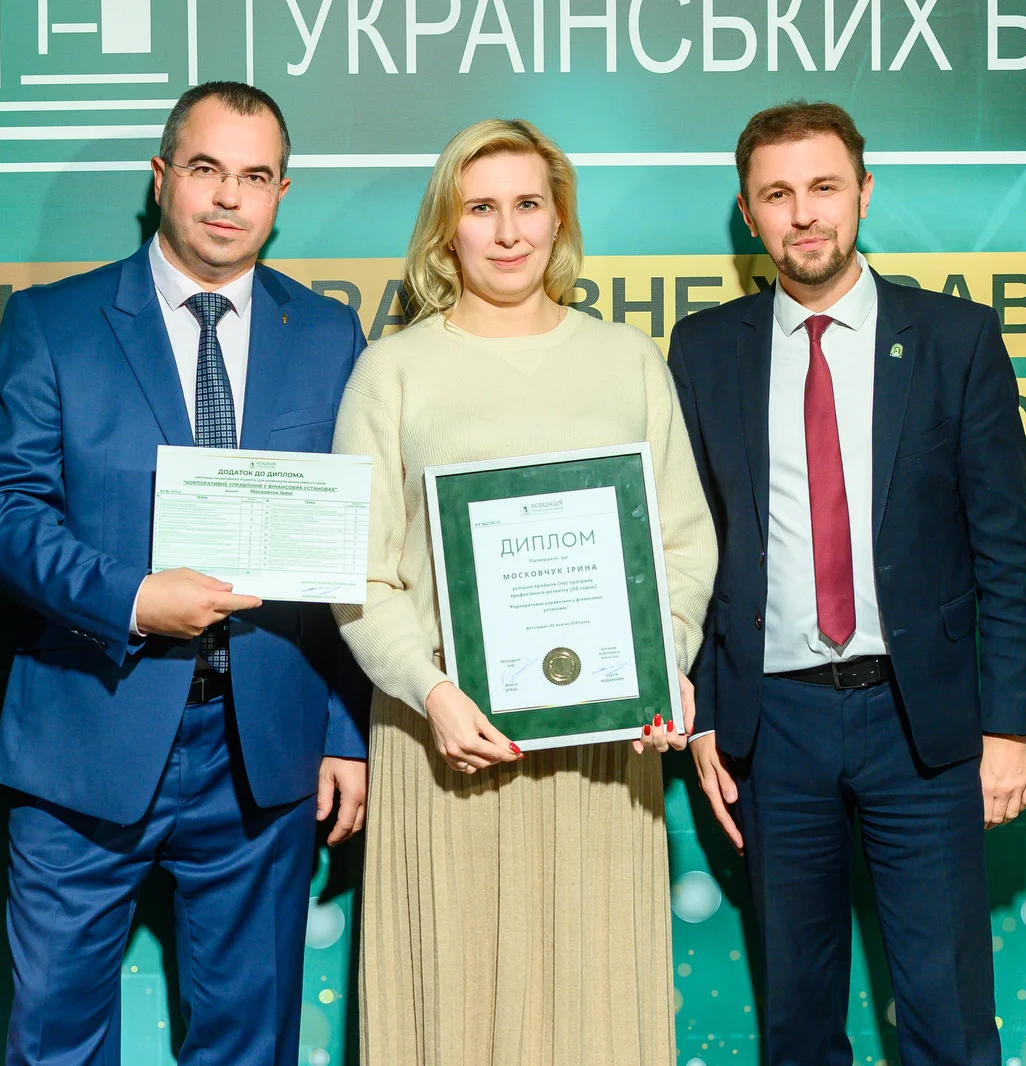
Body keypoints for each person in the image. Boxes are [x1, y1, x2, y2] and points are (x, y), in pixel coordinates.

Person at [0, 81, 369, 1066]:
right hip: (86, 735)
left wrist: (343, 730)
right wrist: (134, 598)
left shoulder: (328, 336)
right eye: (206, 169)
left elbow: (356, 543)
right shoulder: (54, 323)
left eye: (255, 176)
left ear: (281, 193)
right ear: (160, 177)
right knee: (55, 1043)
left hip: (261, 754)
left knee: (249, 1047)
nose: (229, 196)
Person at [331, 118, 717, 1065]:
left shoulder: (628, 360)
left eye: (528, 205)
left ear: (559, 220)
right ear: (446, 229)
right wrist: (431, 692)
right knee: (454, 1012)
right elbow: (360, 573)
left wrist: (659, 666)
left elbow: (682, 544)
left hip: (603, 752)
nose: (508, 232)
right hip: (446, 747)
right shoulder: (392, 370)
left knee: (596, 1013)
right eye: (481, 208)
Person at [669, 100, 1026, 1066]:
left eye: (825, 187)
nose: (804, 214)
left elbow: (1006, 550)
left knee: (948, 1018)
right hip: (773, 729)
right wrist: (706, 715)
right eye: (777, 194)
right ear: (748, 213)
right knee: (797, 1022)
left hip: (922, 725)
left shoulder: (957, 339)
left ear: (865, 193)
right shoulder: (703, 351)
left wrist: (1009, 729)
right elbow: (690, 548)